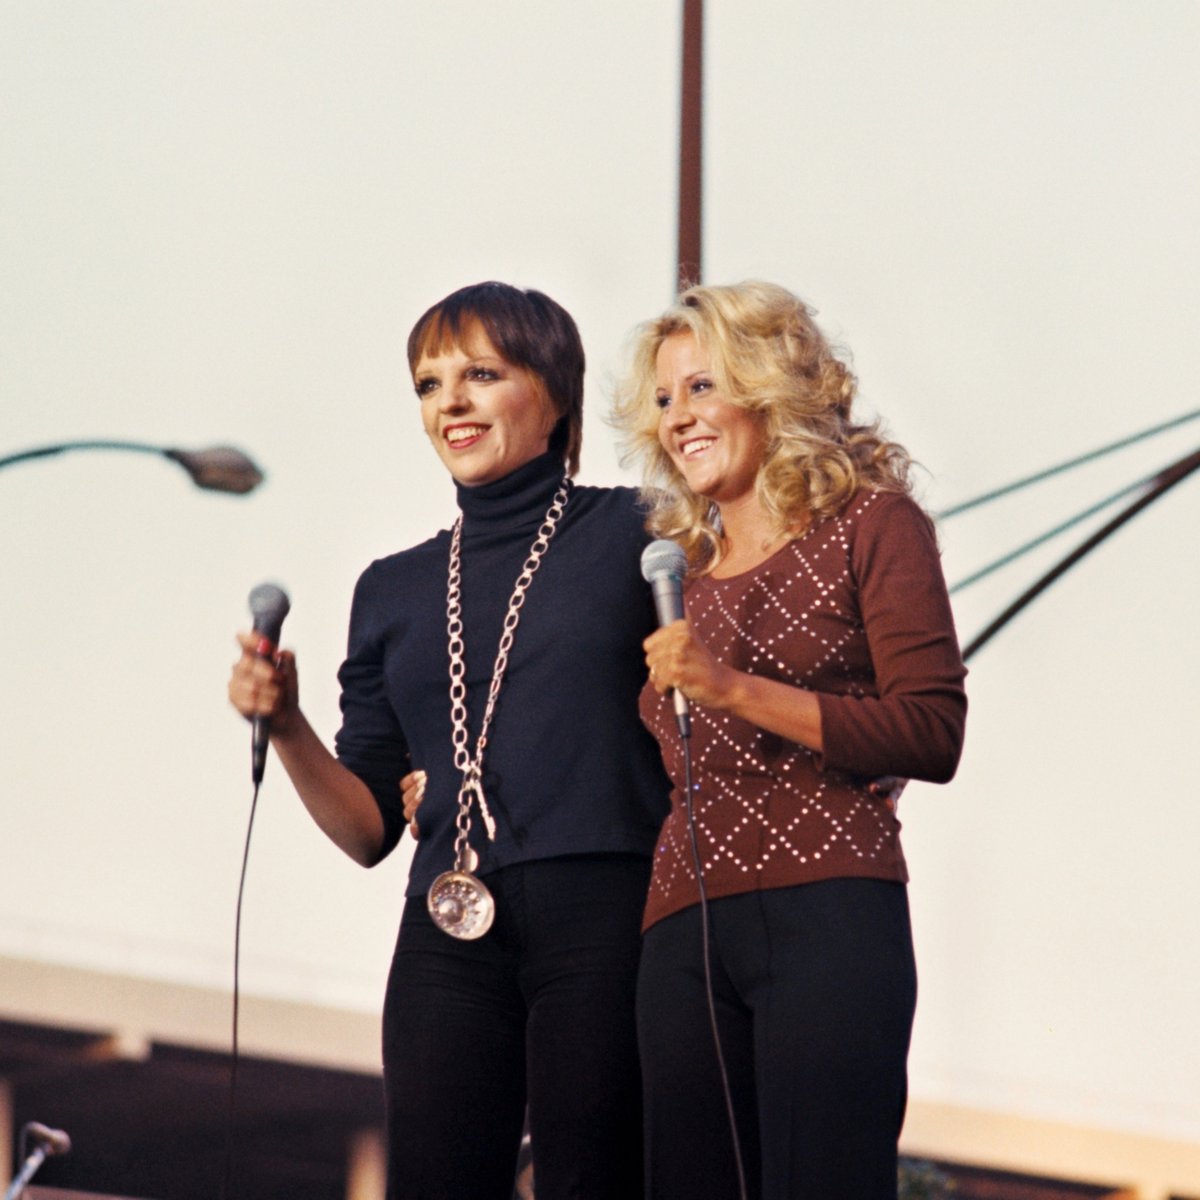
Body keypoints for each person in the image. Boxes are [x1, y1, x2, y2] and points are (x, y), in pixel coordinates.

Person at [228, 281, 671, 1199]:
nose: (451, 404)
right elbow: (364, 829)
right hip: (445, 922)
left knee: (593, 1175)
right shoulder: (391, 589)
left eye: (480, 374)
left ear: (553, 392)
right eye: (429, 385)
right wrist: (287, 721)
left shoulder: (637, 532)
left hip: (606, 909)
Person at [611, 281, 968, 1200]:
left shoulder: (874, 527)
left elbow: (931, 730)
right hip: (680, 933)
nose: (677, 418)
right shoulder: (671, 578)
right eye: (663, 399)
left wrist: (732, 688)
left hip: (831, 912)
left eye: (701, 387)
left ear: (768, 388)